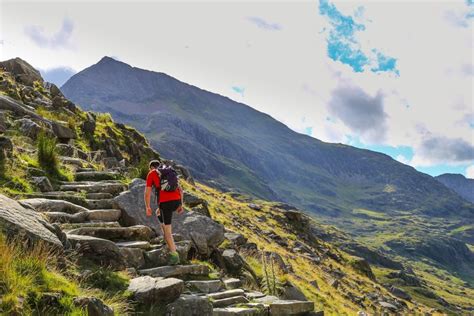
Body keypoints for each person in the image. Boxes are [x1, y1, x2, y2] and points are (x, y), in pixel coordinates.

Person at [144, 160, 184, 265]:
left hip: (166, 203)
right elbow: (180, 189)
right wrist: (181, 204)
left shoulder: (152, 173)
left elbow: (147, 193)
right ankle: (165, 238)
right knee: (158, 212)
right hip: (176, 201)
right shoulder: (169, 171)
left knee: (168, 230)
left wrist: (147, 207)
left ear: (152, 167)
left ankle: (174, 255)